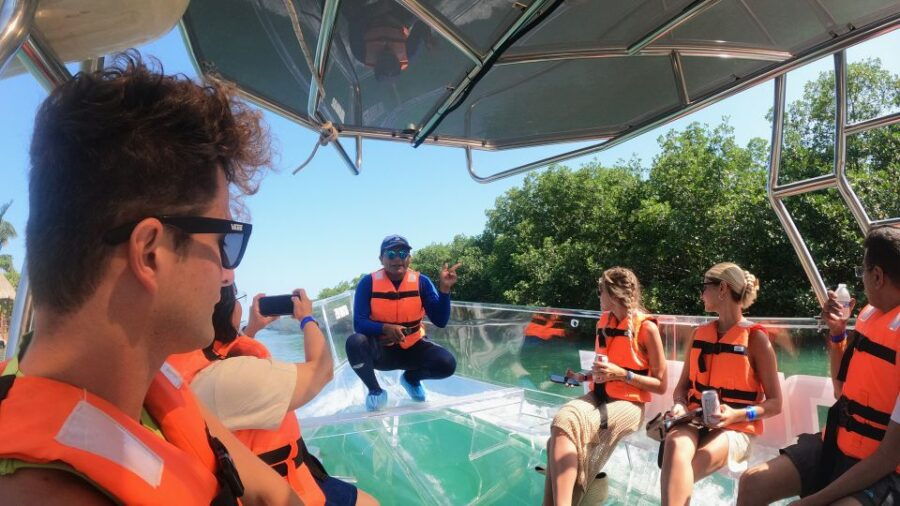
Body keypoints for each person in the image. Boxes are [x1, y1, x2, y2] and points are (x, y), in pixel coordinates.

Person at [0, 54, 300, 505]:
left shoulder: (147, 386)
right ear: (150, 253)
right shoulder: (39, 493)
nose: (227, 271)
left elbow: (270, 493)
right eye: (224, 238)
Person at [170, 284, 379, 506]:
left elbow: (221, 357)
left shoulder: (191, 368)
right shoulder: (225, 379)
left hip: (295, 472)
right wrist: (307, 318)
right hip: (288, 487)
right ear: (221, 310)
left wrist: (251, 329)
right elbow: (321, 371)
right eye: (236, 297)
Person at [738, 226, 900, 506]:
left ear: (877, 276)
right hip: (839, 443)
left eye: (862, 271)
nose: (860, 279)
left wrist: (814, 500)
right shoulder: (870, 316)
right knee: (753, 482)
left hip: (886, 467)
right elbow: (841, 389)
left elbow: (890, 456)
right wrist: (837, 332)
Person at [661, 262, 782, 506]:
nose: (701, 293)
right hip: (694, 418)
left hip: (736, 428)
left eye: (704, 286)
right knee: (674, 446)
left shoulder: (757, 339)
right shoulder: (698, 334)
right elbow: (682, 387)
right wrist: (679, 405)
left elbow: (775, 404)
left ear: (723, 289)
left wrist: (737, 414)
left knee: (685, 468)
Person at [544, 267, 667, 506]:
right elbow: (604, 371)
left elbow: (661, 386)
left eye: (600, 290)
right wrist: (584, 376)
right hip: (599, 396)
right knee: (560, 423)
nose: (598, 296)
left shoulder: (647, 329)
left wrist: (623, 375)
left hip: (630, 405)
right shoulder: (604, 323)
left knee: (569, 425)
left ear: (612, 294)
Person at [345, 235, 459, 411]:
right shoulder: (367, 283)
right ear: (381, 259)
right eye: (391, 253)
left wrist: (444, 290)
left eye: (403, 253)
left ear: (409, 258)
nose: (397, 258)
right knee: (354, 342)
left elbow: (441, 321)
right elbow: (359, 324)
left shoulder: (422, 282)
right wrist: (384, 328)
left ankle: (411, 379)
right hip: (382, 352)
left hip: (413, 348)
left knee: (447, 363)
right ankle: (375, 391)